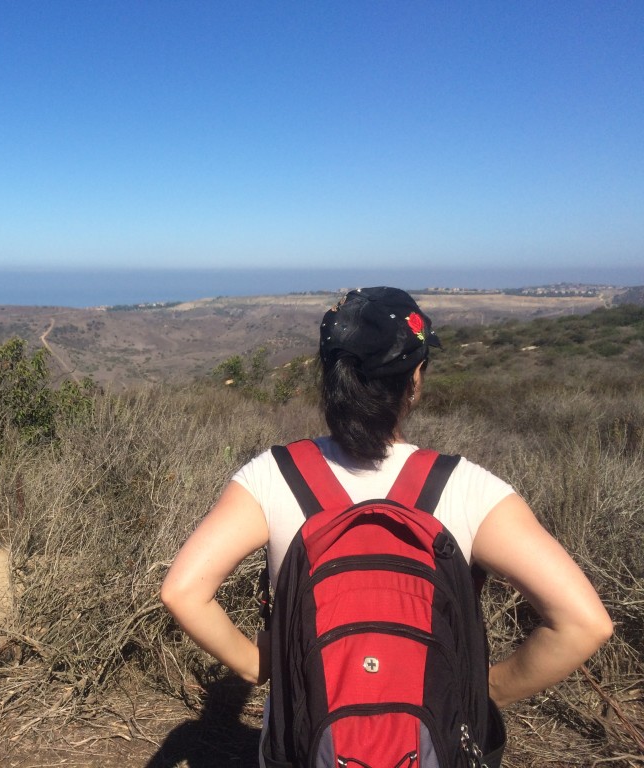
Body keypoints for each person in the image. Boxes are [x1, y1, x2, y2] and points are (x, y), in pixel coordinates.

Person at [160, 287, 612, 759]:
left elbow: (182, 591)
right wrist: (486, 689)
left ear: (331, 376)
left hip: (306, 745)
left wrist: (259, 665)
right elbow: (584, 623)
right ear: (415, 378)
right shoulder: (467, 488)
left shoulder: (275, 476)